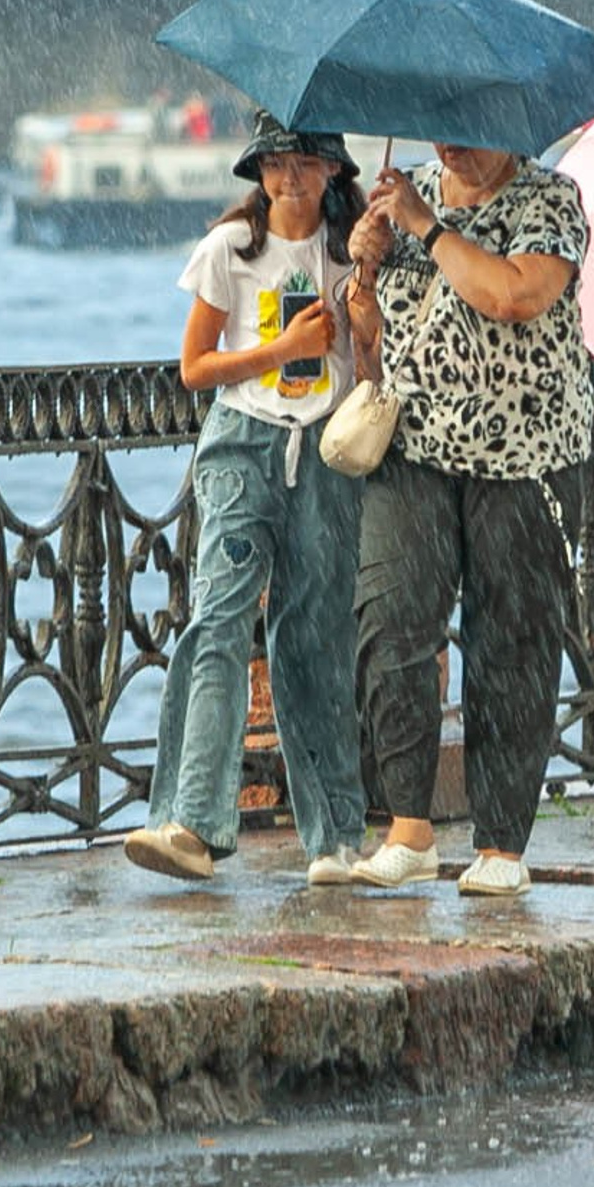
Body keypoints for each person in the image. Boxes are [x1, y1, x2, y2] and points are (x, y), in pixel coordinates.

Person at [343, 141, 594, 898]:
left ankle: (500, 841)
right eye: (441, 128)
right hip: (414, 446)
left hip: (525, 455)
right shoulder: (404, 191)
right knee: (389, 623)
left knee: (511, 643)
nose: (450, 146)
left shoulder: (550, 202)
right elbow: (371, 336)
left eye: (468, 131)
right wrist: (361, 272)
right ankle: (409, 827)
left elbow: (513, 295)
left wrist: (427, 228)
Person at [127, 116, 369, 889]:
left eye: (303, 164)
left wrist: (365, 310)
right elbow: (196, 367)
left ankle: (334, 837)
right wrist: (281, 351)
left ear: (331, 171)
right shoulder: (231, 250)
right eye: (275, 165)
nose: (288, 178)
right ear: (258, 173)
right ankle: (191, 820)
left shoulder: (353, 252)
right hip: (244, 443)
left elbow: (371, 366)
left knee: (315, 636)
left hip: (328, 451)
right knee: (220, 620)